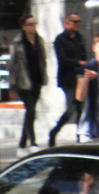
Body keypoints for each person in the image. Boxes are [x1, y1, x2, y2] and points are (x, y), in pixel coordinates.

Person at [48, 12, 91, 147]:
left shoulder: (79, 37)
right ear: (67, 23)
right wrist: (79, 63)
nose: (78, 24)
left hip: (81, 76)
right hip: (68, 78)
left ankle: (79, 136)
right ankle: (54, 131)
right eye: (75, 21)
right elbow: (62, 59)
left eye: (79, 22)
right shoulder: (60, 39)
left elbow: (84, 55)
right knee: (72, 107)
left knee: (80, 107)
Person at [10, 15, 47, 150]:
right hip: (23, 82)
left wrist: (44, 78)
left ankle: (22, 144)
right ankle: (33, 142)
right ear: (24, 27)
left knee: (30, 112)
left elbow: (43, 61)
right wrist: (12, 86)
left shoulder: (39, 41)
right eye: (30, 24)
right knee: (30, 110)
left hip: (37, 81)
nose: (34, 26)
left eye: (35, 23)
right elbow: (13, 65)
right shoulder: (18, 42)